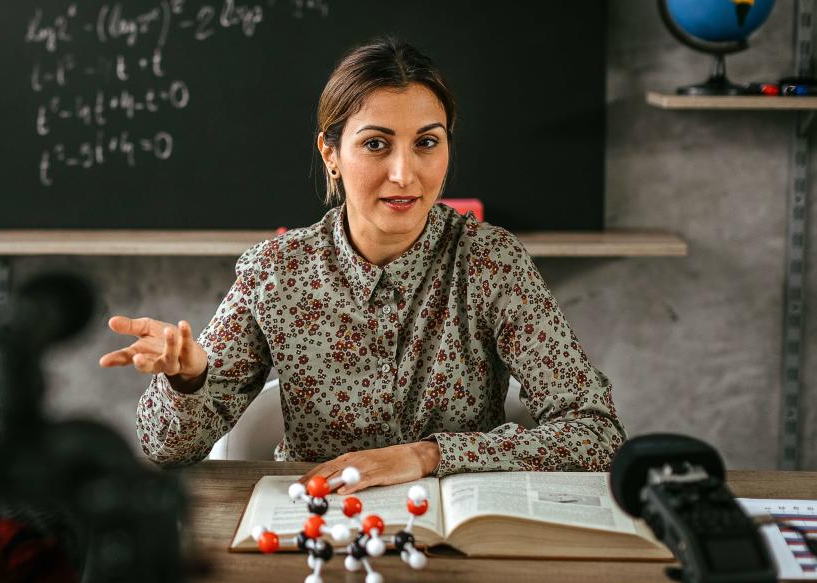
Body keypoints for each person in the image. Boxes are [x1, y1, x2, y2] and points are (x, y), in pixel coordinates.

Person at [98, 37, 625, 495]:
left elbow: (597, 434)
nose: (405, 173)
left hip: (457, 539)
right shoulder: (277, 272)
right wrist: (188, 380)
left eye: (427, 143)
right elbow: (167, 450)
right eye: (376, 144)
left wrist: (426, 456)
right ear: (330, 153)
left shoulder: (491, 262)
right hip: (318, 528)